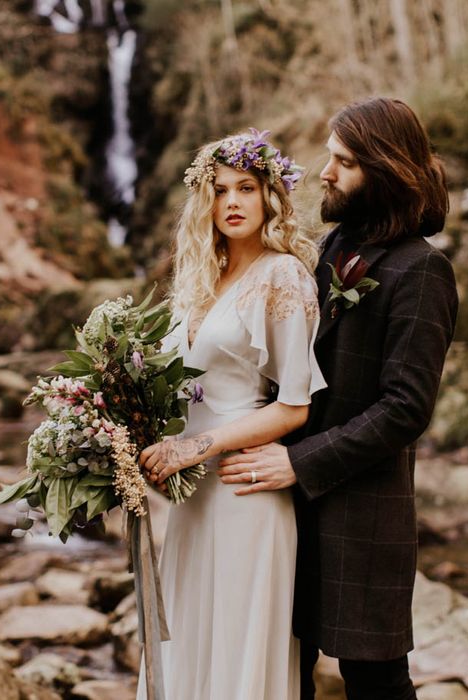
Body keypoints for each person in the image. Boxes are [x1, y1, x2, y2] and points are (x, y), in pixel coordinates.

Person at [217, 98, 459, 699]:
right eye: (330, 157)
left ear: (384, 171)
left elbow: (405, 408)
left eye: (343, 162)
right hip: (286, 508)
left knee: (375, 682)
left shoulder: (422, 270)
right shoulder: (332, 247)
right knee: (283, 669)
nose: (324, 172)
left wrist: (298, 462)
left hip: (362, 514)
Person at [136, 129, 326, 699]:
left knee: (236, 657)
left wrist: (195, 448)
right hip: (191, 497)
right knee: (187, 648)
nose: (233, 202)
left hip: (245, 489)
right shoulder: (199, 280)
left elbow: (294, 407)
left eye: (247, 187)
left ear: (270, 195)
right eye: (219, 190)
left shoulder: (284, 276)